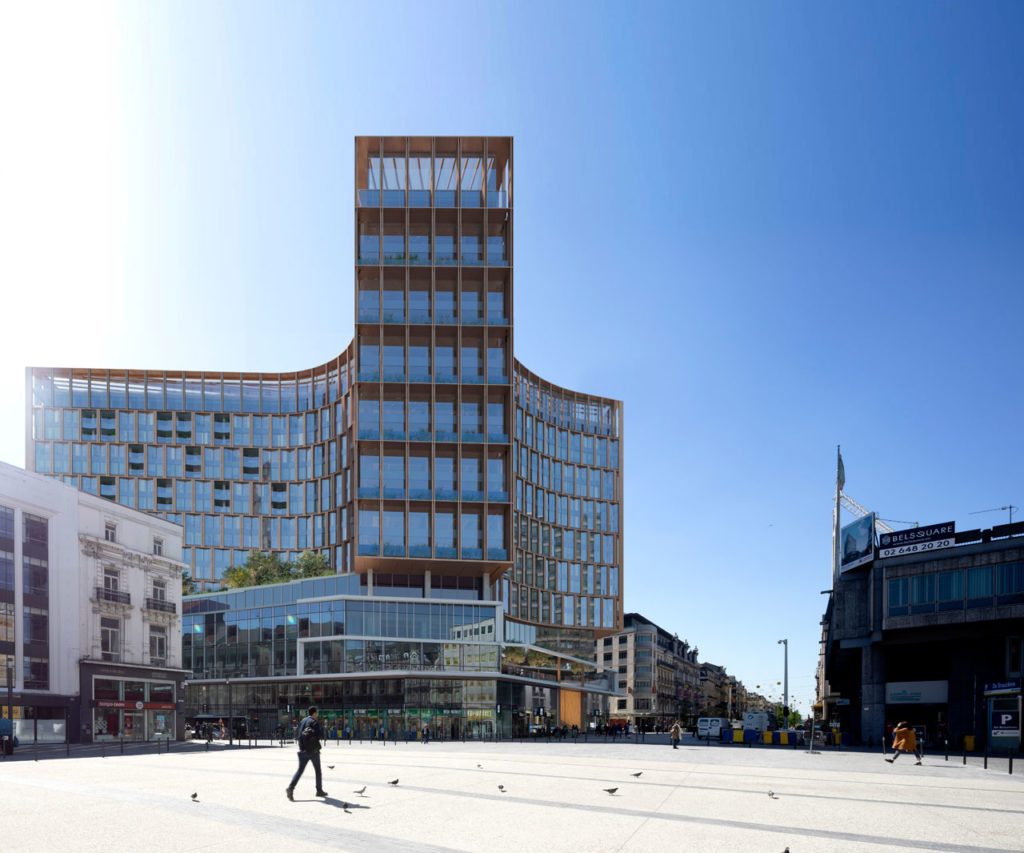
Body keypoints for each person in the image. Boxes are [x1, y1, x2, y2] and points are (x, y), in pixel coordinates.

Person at [286, 706, 328, 800]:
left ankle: (290, 788)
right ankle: (319, 790)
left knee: (300, 771)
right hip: (313, 751)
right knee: (318, 771)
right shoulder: (314, 722)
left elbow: (298, 734)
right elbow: (319, 735)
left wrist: (301, 746)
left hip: (302, 750)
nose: (317, 714)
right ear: (314, 713)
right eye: (316, 713)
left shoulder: (302, 721)